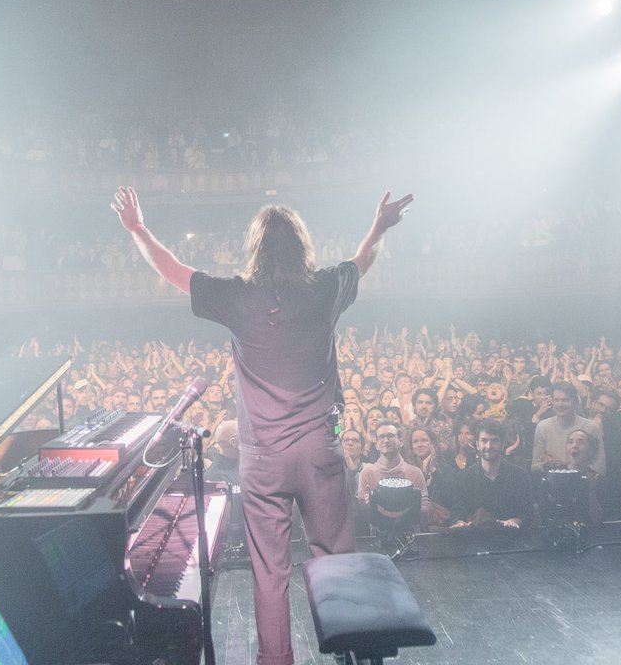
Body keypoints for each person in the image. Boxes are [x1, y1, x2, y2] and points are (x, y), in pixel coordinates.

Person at [112, 185, 413, 665]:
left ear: (255, 247)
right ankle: (352, 652)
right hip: (321, 450)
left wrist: (138, 229)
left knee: (269, 571)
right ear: (302, 246)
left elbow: (171, 269)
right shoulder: (326, 288)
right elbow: (365, 257)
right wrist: (380, 225)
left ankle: (276, 660)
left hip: (262, 460)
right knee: (336, 558)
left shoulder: (235, 297)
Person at [451, 419, 534, 531]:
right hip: (474, 541)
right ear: (477, 445)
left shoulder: (520, 476)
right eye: (484, 440)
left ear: (503, 444)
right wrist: (461, 523)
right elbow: (457, 514)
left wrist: (514, 521)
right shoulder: (463, 477)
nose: (489, 446)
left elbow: (528, 514)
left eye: (494, 441)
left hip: (511, 540)